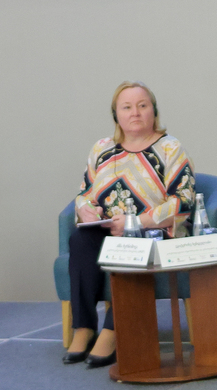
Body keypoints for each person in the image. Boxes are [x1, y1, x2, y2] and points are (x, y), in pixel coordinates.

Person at [64, 82, 196, 368]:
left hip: (153, 232)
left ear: (154, 111)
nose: (135, 112)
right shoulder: (101, 148)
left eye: (142, 105)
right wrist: (86, 210)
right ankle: (83, 327)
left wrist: (134, 223)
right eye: (127, 107)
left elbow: (183, 201)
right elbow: (85, 192)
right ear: (116, 115)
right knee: (79, 240)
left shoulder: (170, 147)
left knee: (132, 242)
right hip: (106, 229)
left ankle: (113, 331)